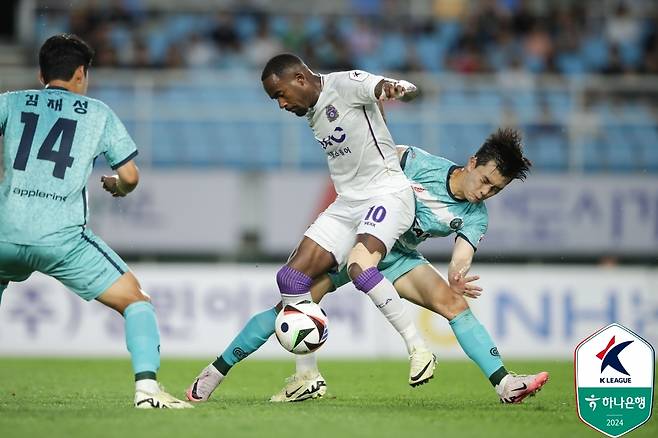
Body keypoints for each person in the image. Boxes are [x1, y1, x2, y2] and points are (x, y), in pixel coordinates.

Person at [186, 128, 549, 404]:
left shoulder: (476, 216)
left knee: (455, 305)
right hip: (358, 242)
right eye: (485, 181)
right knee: (290, 307)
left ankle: (505, 384)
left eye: (495, 190)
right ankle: (216, 372)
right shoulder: (415, 162)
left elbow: (462, 256)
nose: (485, 193)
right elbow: (367, 169)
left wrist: (457, 275)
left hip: (399, 257)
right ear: (472, 163)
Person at [0, 34, 191, 409]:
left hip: (4, 232)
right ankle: (147, 392)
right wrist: (119, 187)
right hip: (61, 239)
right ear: (81, 74)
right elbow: (131, 176)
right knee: (136, 301)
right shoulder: (98, 112)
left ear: (41, 74)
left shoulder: (11, 101)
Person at [258, 54, 435, 386]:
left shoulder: (344, 83)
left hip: (387, 193)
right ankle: (307, 377)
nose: (281, 104)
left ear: (300, 78)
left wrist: (397, 88)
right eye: (275, 99)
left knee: (359, 266)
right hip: (348, 204)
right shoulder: (310, 110)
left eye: (280, 94)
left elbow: (381, 87)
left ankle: (419, 349)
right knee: (291, 279)